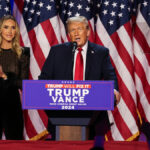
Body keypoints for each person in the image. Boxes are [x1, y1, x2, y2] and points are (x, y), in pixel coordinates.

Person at [39, 16, 120, 149]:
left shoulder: (101, 52)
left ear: (88, 32)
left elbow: (110, 75)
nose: (76, 33)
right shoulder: (57, 51)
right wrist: (41, 89)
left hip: (93, 117)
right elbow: (44, 78)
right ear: (68, 34)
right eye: (72, 30)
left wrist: (114, 90)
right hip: (61, 115)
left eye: (79, 29)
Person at [0, 15, 30, 140]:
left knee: (15, 142)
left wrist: (4, 76)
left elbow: (24, 83)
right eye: (6, 27)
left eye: (13, 28)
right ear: (0, 30)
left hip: (12, 104)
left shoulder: (23, 52)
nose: (10, 31)